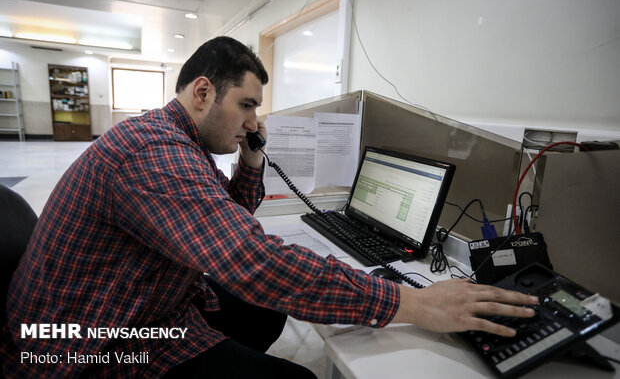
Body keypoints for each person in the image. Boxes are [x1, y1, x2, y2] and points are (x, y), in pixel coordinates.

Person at [0, 36, 537, 378]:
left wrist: (251, 164)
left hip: (143, 309)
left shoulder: (174, 139)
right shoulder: (154, 154)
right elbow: (249, 258)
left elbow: (224, 221)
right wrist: (410, 303)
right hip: (88, 349)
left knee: (266, 305)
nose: (254, 122)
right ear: (204, 92)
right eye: (248, 105)